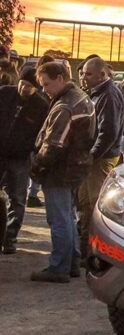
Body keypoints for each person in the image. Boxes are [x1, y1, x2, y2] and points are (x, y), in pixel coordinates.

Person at [30, 61, 95, 283]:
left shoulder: (64, 106)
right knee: (67, 216)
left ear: (59, 78)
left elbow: (54, 145)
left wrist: (37, 165)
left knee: (59, 219)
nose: (44, 89)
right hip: (76, 166)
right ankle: (72, 262)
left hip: (61, 169)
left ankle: (59, 267)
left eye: (47, 84)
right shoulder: (80, 97)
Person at [78, 56, 124, 260]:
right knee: (86, 203)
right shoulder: (98, 93)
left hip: (101, 158)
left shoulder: (108, 95)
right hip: (96, 156)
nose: (83, 77)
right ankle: (84, 246)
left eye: (88, 74)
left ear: (102, 74)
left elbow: (108, 132)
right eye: (82, 73)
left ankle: (91, 251)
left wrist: (92, 156)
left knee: (94, 205)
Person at [0, 66, 50, 254]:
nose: (24, 88)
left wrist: (31, 151)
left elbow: (41, 134)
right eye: (23, 83)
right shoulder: (4, 94)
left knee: (18, 199)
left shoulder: (41, 106)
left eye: (30, 86)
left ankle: (10, 238)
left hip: (20, 159)